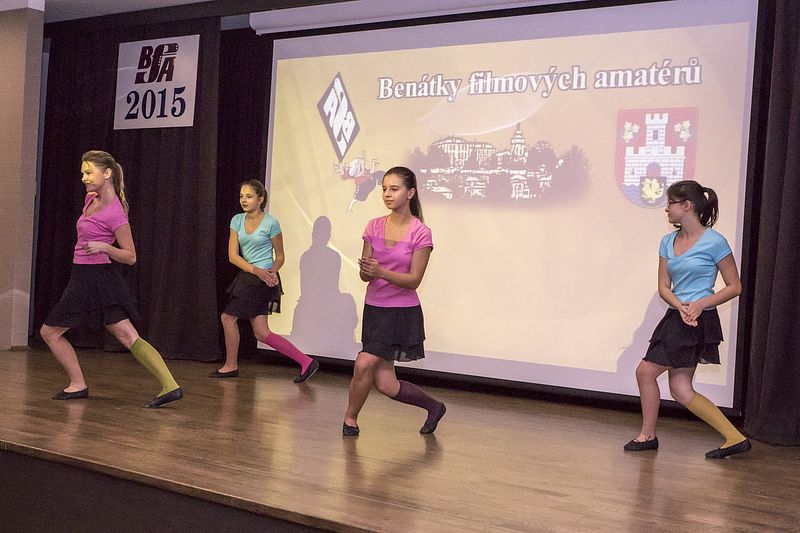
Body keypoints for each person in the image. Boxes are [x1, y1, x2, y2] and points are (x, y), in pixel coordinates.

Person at [40, 150, 183, 408]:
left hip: (94, 278)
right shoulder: (90, 199)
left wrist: (104, 247)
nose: (83, 178)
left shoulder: (115, 213)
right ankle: (170, 386)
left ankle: (78, 384)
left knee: (49, 332)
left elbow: (131, 256)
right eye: (82, 173)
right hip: (87, 275)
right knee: (126, 334)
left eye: (88, 172)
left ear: (107, 173)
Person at [625, 180, 750, 458]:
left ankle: (648, 435)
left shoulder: (715, 242)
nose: (666, 209)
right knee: (680, 388)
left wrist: (699, 304)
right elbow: (664, 287)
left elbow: (734, 286)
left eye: (670, 203)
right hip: (677, 316)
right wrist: (680, 306)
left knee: (646, 373)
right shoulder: (667, 242)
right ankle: (734, 437)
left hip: (699, 319)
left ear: (686, 205)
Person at [342, 166, 446, 436]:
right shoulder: (373, 226)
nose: (387, 194)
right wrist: (367, 271)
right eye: (384, 189)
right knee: (387, 385)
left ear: (410, 193)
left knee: (364, 362)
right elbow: (365, 276)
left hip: (401, 313)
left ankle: (350, 420)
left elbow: (414, 280)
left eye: (394, 189)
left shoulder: (421, 232)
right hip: (375, 310)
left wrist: (381, 271)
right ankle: (434, 407)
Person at [212, 179, 319, 382]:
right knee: (261, 333)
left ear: (260, 199)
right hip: (250, 274)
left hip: (262, 279)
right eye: (241, 196)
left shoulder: (271, 223)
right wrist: (256, 271)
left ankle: (231, 365)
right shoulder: (236, 220)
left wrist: (270, 272)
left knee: (228, 318)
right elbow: (232, 256)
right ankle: (306, 361)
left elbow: (280, 256)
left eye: (249, 196)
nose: (244, 200)